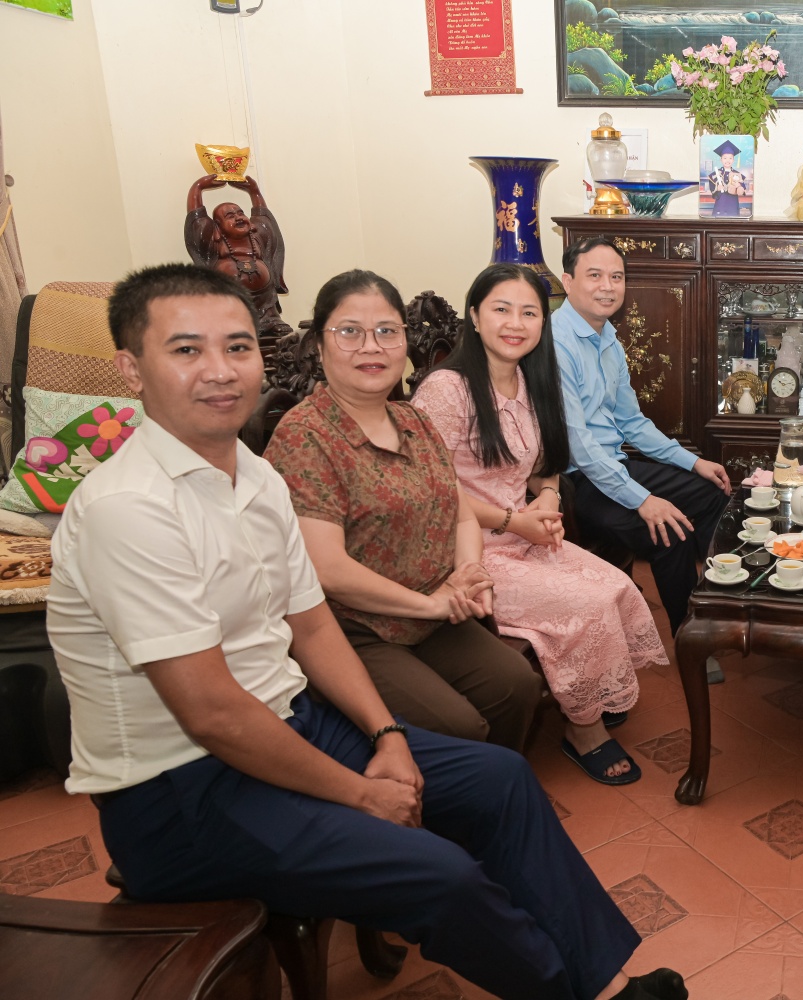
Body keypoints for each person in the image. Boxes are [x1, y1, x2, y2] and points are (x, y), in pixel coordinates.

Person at [46, 263, 688, 1000]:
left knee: (502, 779)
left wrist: (386, 738)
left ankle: (602, 981)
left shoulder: (251, 480)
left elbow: (311, 624)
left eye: (238, 347)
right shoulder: (130, 509)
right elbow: (213, 713)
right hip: (180, 794)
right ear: (132, 368)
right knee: (440, 874)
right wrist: (359, 794)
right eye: (187, 351)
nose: (220, 372)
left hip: (295, 721)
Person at [263, 270, 543, 751]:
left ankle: (491, 798)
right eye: (350, 331)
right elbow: (326, 569)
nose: (372, 347)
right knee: (458, 727)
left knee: (516, 685)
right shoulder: (304, 435)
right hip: (353, 626)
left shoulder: (414, 420)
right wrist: (431, 604)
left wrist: (469, 572)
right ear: (319, 344)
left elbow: (458, 514)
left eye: (387, 332)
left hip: (432, 611)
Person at [412, 263, 667, 785]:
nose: (516, 323)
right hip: (468, 551)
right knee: (587, 605)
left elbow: (545, 466)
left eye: (529, 312)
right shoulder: (446, 390)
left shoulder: (533, 381)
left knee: (619, 586)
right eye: (502, 309)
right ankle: (584, 731)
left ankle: (594, 688)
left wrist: (547, 500)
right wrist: (514, 520)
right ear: (476, 317)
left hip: (525, 534)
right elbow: (430, 489)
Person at [552, 235, 733, 638]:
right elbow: (579, 446)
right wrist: (644, 500)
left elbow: (632, 423)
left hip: (612, 465)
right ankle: (689, 635)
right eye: (594, 275)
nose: (607, 286)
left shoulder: (608, 339)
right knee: (669, 532)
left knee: (712, 493)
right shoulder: (555, 344)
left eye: (616, 277)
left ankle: (726, 599)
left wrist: (695, 461)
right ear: (568, 281)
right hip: (574, 481)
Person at [184, 173, 286, 329]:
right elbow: (196, 218)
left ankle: (269, 320)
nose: (239, 218)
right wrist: (197, 187)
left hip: (265, 305)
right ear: (217, 225)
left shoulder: (257, 235)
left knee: (275, 328)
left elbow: (263, 216)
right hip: (228, 305)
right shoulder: (213, 240)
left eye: (240, 213)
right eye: (230, 216)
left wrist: (254, 192)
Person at [707, 140, 747, 218]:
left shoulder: (737, 174)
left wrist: (739, 186)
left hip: (732, 204)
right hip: (720, 203)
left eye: (730, 158)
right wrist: (717, 188)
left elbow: (743, 191)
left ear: (733, 160)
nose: (727, 160)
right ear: (721, 159)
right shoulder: (715, 174)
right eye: (725, 158)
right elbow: (712, 189)